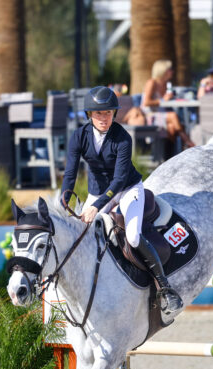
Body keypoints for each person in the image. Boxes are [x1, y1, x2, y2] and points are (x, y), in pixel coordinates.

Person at [60, 86, 183, 316]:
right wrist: (64, 196)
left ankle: (164, 287)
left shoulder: (123, 138)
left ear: (114, 114)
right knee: (81, 233)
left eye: (108, 113)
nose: (104, 118)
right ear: (90, 115)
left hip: (127, 189)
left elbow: (117, 181)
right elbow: (70, 173)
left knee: (134, 236)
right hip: (98, 191)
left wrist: (96, 207)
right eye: (99, 114)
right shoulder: (79, 136)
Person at [140, 59, 194, 148]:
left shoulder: (165, 84)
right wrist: (163, 100)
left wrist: (170, 98)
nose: (172, 71)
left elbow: (164, 101)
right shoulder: (152, 82)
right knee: (173, 116)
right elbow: (146, 102)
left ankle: (167, 156)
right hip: (149, 114)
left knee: (172, 128)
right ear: (163, 70)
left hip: (161, 113)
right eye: (170, 69)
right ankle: (188, 142)